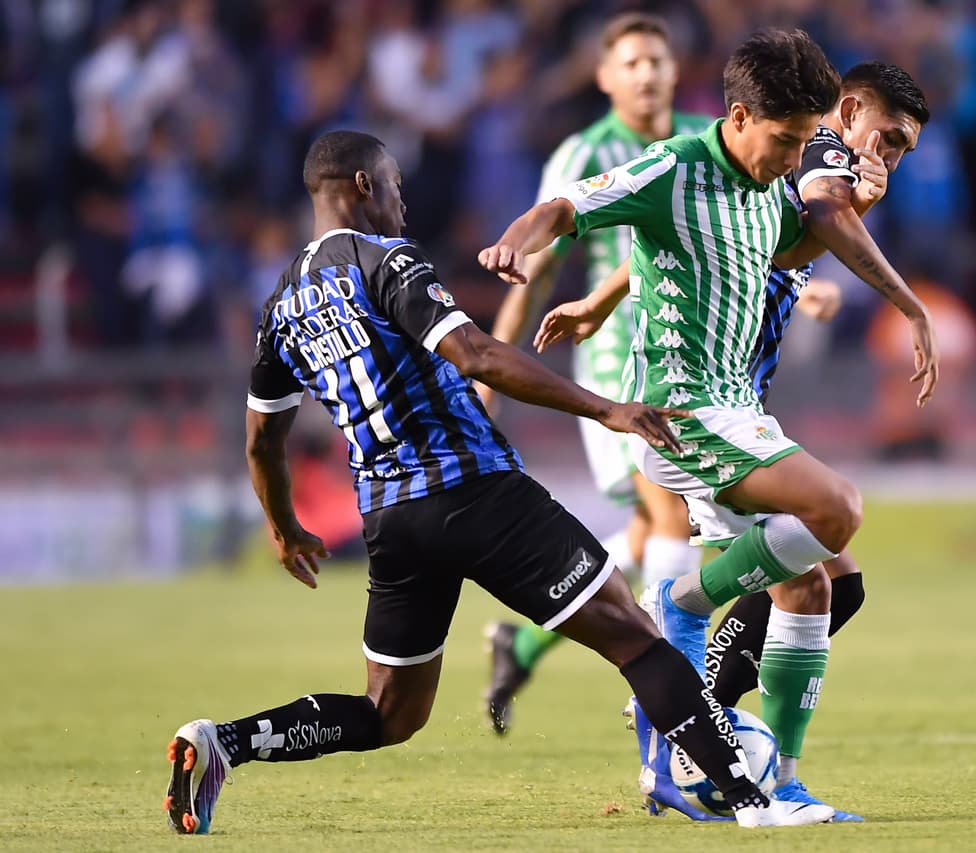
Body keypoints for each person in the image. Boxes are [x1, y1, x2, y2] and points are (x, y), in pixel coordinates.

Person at [161, 130, 835, 835]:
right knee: (638, 639)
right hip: (475, 490)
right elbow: (477, 354)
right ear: (363, 186)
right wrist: (607, 409)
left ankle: (224, 742)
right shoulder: (386, 260)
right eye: (395, 186)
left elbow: (261, 439)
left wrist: (282, 526)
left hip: (391, 519)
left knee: (391, 712)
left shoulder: (281, 304)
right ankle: (754, 801)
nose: (401, 204)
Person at [481, 31, 937, 818]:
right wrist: (516, 242)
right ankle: (684, 617)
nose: (799, 156)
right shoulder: (807, 152)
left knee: (817, 584)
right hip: (686, 407)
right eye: (888, 137)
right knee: (835, 510)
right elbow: (571, 206)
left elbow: (750, 244)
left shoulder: (768, 174)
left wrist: (599, 300)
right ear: (845, 109)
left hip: (738, 402)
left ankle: (769, 775)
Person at [478, 12, 715, 737]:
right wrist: (490, 370)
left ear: (675, 71)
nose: (647, 74)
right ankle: (674, 703)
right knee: (672, 516)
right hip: (619, 361)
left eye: (657, 60)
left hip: (696, 353)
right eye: (631, 63)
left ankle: (521, 642)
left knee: (651, 527)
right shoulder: (584, 153)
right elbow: (538, 269)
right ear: (605, 77)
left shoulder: (704, 138)